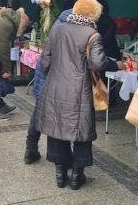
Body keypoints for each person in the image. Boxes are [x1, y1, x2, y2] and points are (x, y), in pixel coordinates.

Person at [24, 9, 124, 164]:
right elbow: (94, 59)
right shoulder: (79, 30)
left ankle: (33, 151)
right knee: (65, 118)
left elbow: (46, 59)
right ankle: (64, 159)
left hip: (49, 77)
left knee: (44, 114)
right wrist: (114, 65)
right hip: (60, 79)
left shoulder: (59, 25)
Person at [35, 0, 108, 190]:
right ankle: (77, 176)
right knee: (81, 130)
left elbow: (45, 61)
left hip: (55, 86)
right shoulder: (92, 34)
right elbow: (98, 63)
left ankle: (60, 174)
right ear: (94, 14)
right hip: (80, 89)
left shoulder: (57, 28)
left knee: (57, 127)